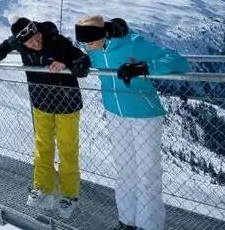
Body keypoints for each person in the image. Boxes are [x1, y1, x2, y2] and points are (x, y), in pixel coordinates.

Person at [75, 15, 189, 230]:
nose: (88, 47)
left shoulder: (134, 43)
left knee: (147, 173)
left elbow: (179, 61)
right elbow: (93, 57)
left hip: (144, 114)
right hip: (115, 114)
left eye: (90, 42)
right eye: (84, 44)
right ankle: (126, 222)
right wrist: (83, 61)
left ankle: (149, 226)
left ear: (103, 34)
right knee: (125, 171)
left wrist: (143, 68)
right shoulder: (95, 50)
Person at [0, 16, 91, 219]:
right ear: (21, 41)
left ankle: (69, 195)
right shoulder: (18, 41)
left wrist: (66, 62)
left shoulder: (56, 40)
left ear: (38, 31)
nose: (35, 42)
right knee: (43, 147)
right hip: (41, 103)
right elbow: (5, 46)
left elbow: (83, 61)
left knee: (67, 150)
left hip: (66, 104)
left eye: (36, 37)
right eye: (30, 41)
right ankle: (43, 189)